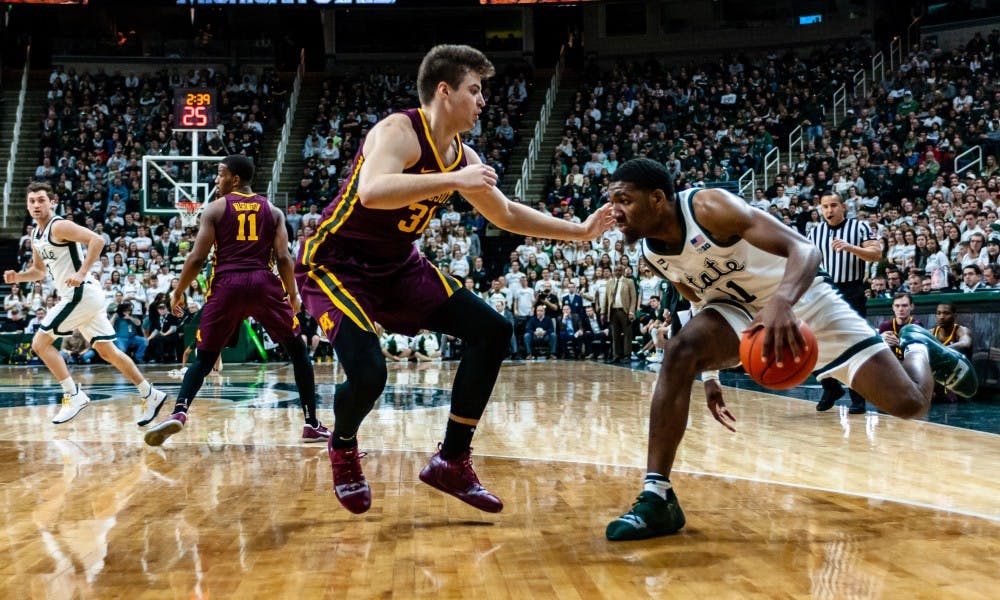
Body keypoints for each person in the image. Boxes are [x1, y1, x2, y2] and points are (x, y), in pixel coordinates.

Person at [294, 44, 612, 515]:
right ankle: (342, 446)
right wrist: (455, 181)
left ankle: (452, 460)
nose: (483, 101)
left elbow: (504, 214)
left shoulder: (463, 155)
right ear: (445, 91)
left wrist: (580, 232)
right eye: (475, 90)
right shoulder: (398, 130)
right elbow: (373, 192)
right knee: (369, 374)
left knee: (494, 330)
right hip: (336, 263)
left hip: (399, 266)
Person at [600, 159, 977, 541]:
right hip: (739, 312)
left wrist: (782, 300)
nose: (614, 211)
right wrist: (709, 374)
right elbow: (698, 302)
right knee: (678, 351)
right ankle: (657, 496)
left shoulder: (709, 207)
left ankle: (917, 346)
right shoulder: (652, 254)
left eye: (623, 200)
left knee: (910, 404)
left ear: (658, 199)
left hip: (806, 298)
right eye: (612, 201)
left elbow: (805, 249)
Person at [144, 155, 328, 446]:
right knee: (298, 351)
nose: (216, 181)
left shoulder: (215, 209)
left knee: (204, 358)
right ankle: (311, 424)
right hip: (263, 283)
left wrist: (178, 291)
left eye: (220, 175)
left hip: (227, 284)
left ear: (235, 179)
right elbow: (283, 257)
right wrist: (293, 294)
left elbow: (197, 257)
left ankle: (179, 412)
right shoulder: (273, 210)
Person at [3, 181, 168, 425]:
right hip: (84, 297)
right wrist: (19, 277)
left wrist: (81, 273)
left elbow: (97, 240)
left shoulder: (59, 225)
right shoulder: (35, 233)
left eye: (41, 200)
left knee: (40, 344)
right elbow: (38, 271)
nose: (36, 204)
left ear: (52, 202)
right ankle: (150, 394)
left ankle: (73, 394)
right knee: (107, 351)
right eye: (32, 201)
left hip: (81, 294)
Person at [808, 192, 881, 414]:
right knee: (813, 341)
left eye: (833, 205)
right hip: (824, 290)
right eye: (824, 207)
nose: (829, 210)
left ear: (843, 207)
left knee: (853, 343)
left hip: (852, 290)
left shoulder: (859, 228)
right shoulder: (814, 233)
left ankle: (857, 398)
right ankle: (830, 386)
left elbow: (876, 254)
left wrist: (851, 248)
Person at [929, 303, 974, 402]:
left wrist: (942, 350)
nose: (941, 317)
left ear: (955, 315)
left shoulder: (961, 330)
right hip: (937, 383)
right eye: (939, 313)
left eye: (946, 313)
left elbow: (966, 343)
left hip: (959, 383)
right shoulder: (931, 333)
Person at [603, 264, 638, 363]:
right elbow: (606, 298)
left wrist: (631, 311)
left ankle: (627, 355)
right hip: (613, 311)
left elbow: (633, 297)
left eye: (619, 270)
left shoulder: (629, 281)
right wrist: (603, 312)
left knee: (627, 334)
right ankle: (616, 356)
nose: (617, 272)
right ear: (613, 271)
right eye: (616, 270)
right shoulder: (609, 282)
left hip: (624, 311)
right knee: (615, 335)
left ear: (623, 271)